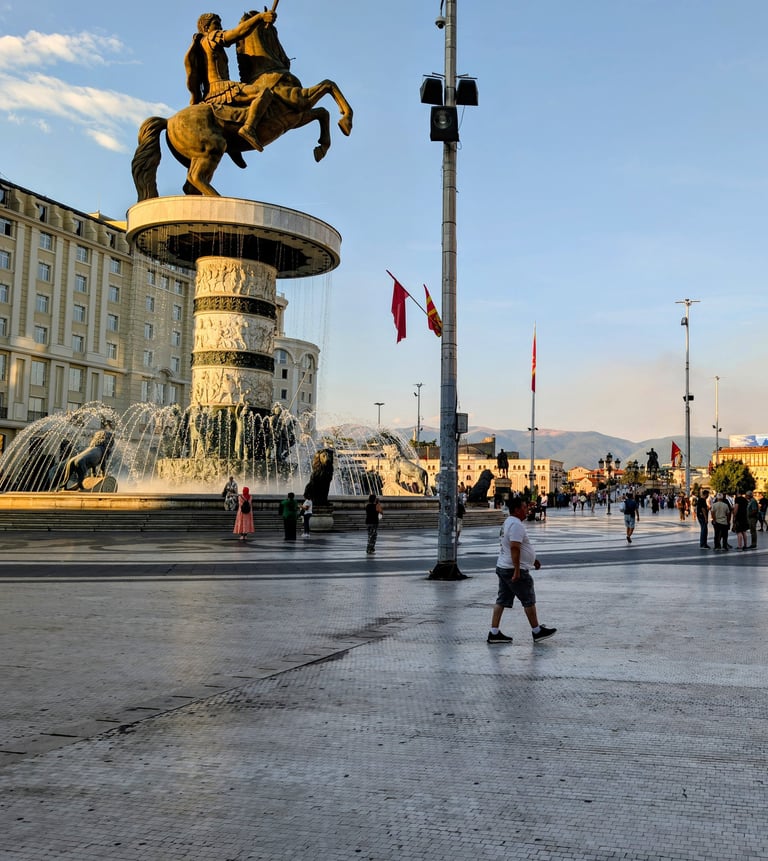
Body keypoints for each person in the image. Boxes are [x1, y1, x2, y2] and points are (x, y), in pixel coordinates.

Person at [184, 9, 283, 152]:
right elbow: (237, 33)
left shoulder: (202, 44)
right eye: (216, 24)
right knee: (264, 93)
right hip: (221, 88)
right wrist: (260, 18)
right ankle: (249, 128)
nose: (219, 28)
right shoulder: (211, 37)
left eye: (219, 25)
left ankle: (233, 143)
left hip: (210, 92)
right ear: (206, 28)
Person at [487, 496, 557, 645]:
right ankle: (537, 631)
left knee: (502, 600)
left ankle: (494, 632)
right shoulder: (516, 525)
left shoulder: (509, 522)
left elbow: (514, 546)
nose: (527, 510)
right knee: (528, 600)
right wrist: (517, 570)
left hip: (504, 566)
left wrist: (533, 560)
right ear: (517, 510)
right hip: (512, 568)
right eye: (525, 507)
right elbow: (514, 547)